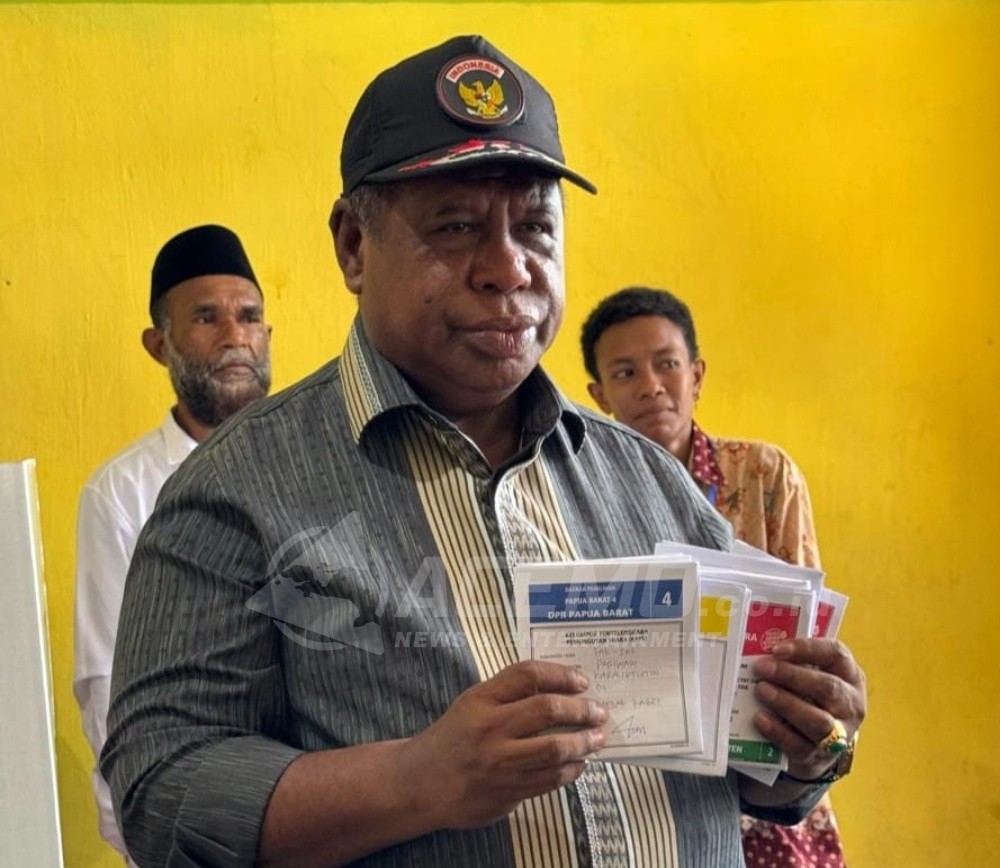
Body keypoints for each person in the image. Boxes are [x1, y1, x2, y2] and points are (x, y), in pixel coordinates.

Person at [101, 36, 866, 868]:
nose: (507, 268)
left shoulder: (649, 482)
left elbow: (761, 774)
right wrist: (419, 780)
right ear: (353, 245)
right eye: (456, 226)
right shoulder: (232, 492)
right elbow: (161, 795)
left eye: (535, 227)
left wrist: (807, 744)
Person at [581, 286, 847, 866]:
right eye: (625, 373)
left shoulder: (763, 474)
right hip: (656, 792)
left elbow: (808, 630)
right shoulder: (586, 499)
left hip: (768, 772)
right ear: (599, 396)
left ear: (696, 374)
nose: (651, 385)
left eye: (667, 364)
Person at [74, 224, 272, 864]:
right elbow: (108, 690)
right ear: (159, 345)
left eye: (249, 317)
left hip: (327, 819)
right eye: (206, 318)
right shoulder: (122, 493)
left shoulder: (318, 470)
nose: (235, 336)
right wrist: (147, 838)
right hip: (193, 832)